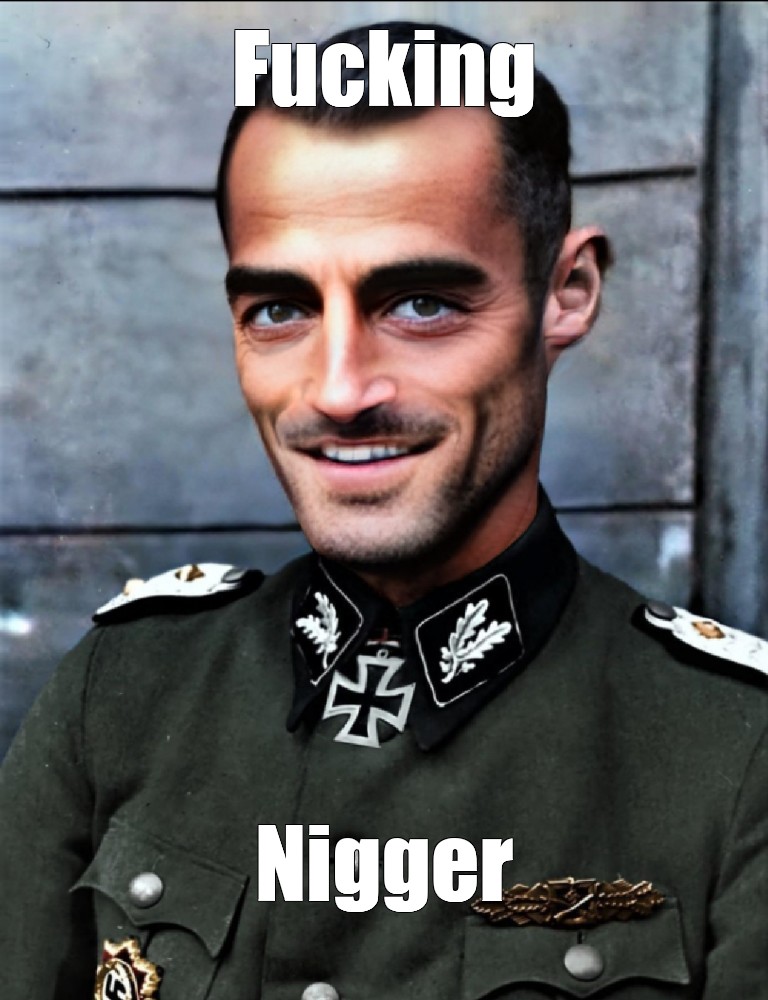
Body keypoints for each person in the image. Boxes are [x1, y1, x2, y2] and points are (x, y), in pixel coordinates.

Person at [1, 20, 766, 1000]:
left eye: (422, 303)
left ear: (566, 291)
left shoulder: (735, 752)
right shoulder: (122, 693)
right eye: (280, 309)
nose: (339, 390)